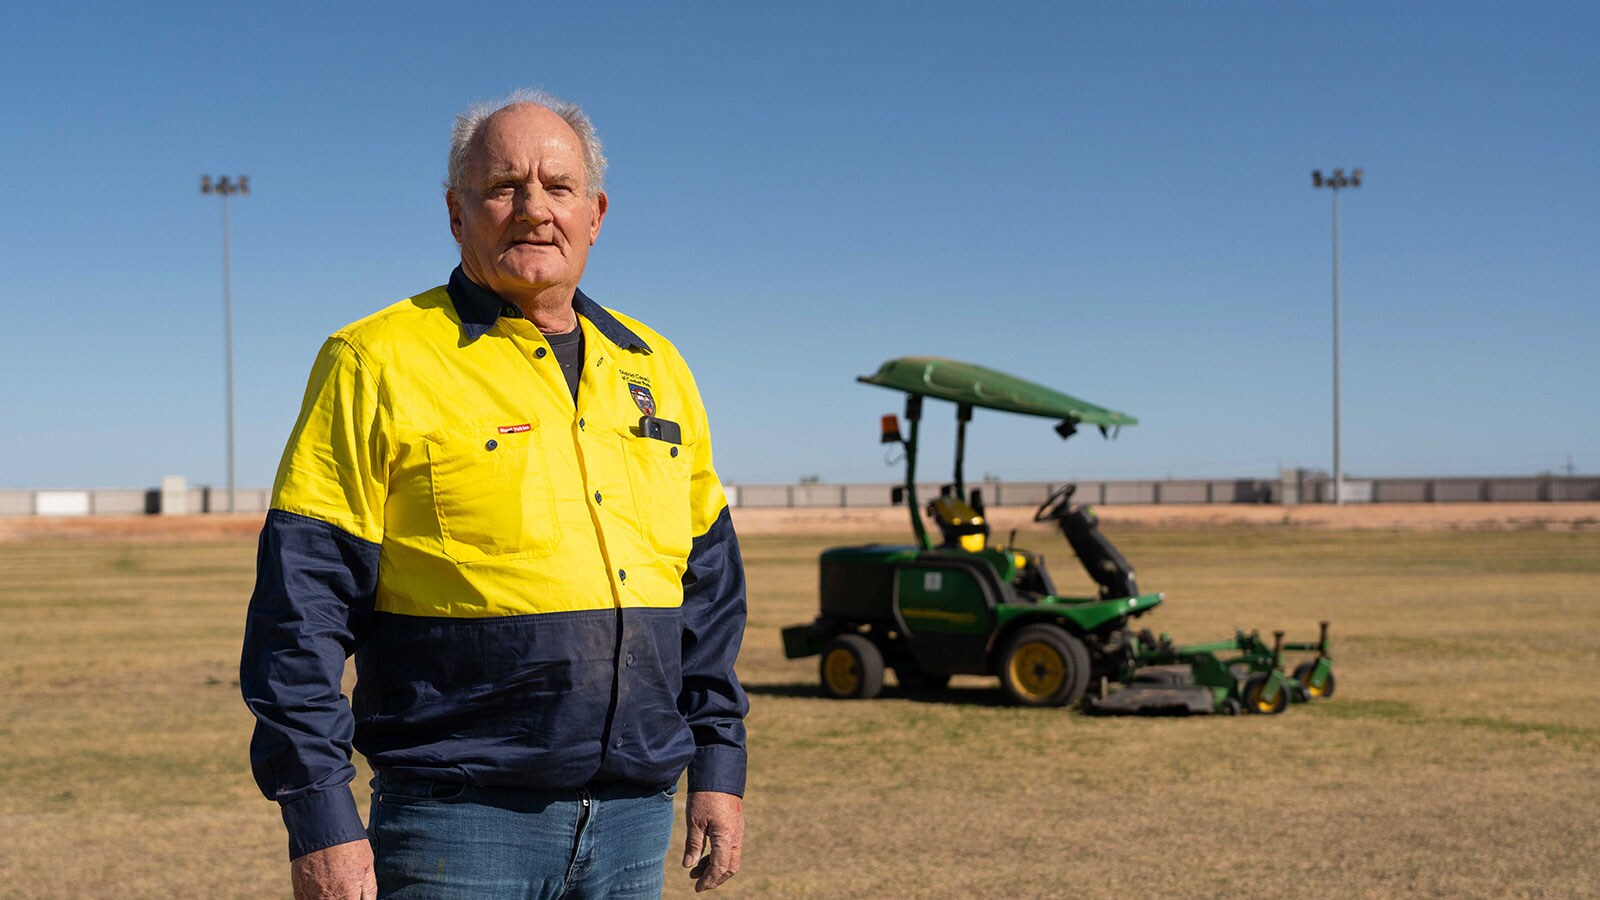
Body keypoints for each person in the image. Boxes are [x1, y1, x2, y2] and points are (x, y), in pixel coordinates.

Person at [241, 89, 748, 899]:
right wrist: (320, 819)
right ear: (456, 212)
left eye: (557, 186)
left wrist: (718, 764)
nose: (533, 209)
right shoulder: (375, 360)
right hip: (458, 827)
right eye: (502, 187)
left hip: (634, 823)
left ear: (596, 213)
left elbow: (708, 595)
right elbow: (300, 608)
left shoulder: (658, 368)